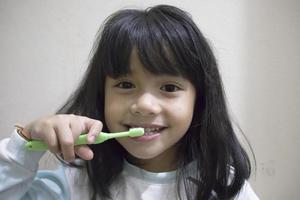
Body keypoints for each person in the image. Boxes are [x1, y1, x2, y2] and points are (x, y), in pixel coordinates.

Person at [0, 4, 259, 200]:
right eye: (125, 85)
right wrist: (24, 144)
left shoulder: (225, 186)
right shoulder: (73, 184)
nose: (144, 105)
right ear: (102, 94)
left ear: (199, 100)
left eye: (169, 87)